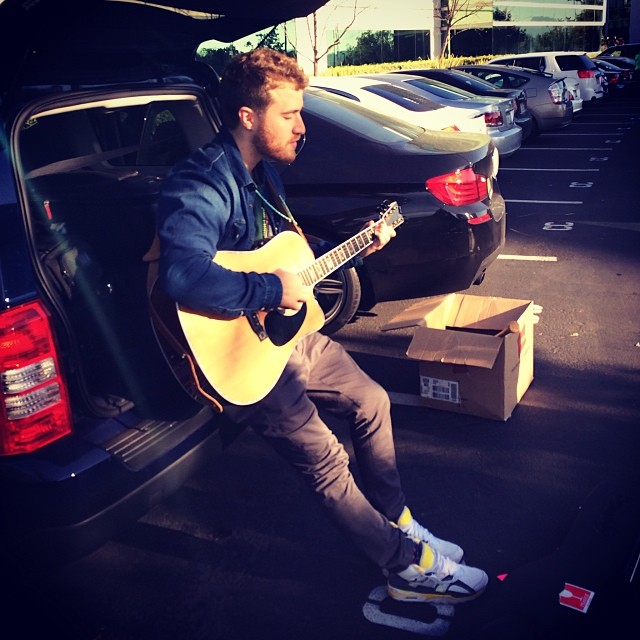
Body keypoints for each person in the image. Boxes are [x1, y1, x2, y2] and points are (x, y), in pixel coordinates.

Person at [157, 47, 488, 604]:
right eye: (289, 115)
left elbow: (294, 264)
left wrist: (358, 246)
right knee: (327, 462)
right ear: (248, 117)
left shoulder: (264, 176)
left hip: (287, 335)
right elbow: (182, 276)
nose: (301, 126)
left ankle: (398, 522)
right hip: (242, 356)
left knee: (372, 401)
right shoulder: (202, 182)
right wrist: (268, 289)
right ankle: (406, 567)